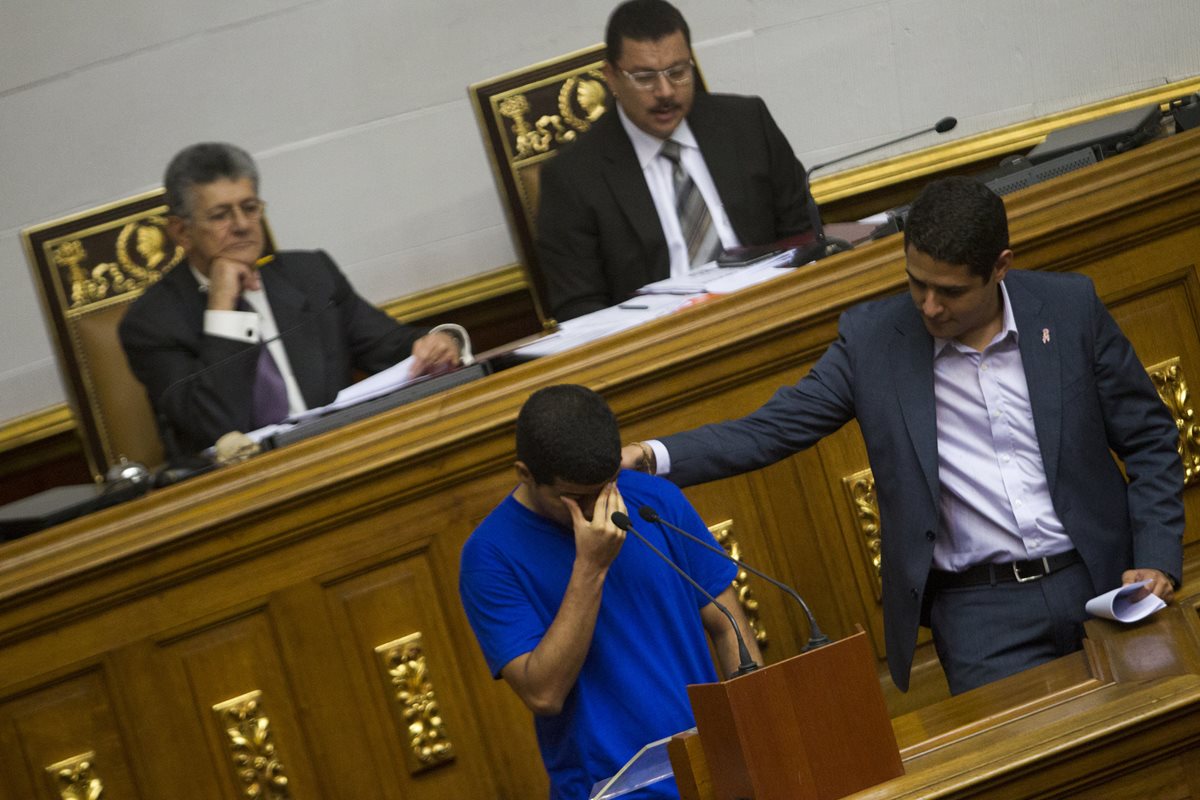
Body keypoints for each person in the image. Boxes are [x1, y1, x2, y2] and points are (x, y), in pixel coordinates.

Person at [622, 176, 1184, 695]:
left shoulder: (1068, 310)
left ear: (1000, 266)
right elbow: (771, 430)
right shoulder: (874, 343)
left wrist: (1158, 558)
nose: (930, 307)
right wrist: (650, 456)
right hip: (981, 616)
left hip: (1102, 581)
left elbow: (1149, 439)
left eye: (951, 291)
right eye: (917, 284)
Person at [459, 385, 761, 799]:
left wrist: (763, 742)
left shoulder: (655, 500)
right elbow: (543, 693)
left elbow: (728, 625)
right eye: (577, 497)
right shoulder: (489, 555)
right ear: (526, 475)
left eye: (607, 486)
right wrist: (590, 566)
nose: (597, 508)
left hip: (713, 777)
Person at [119, 142, 471, 456]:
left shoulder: (310, 275)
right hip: (239, 495)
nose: (242, 225)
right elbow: (215, 424)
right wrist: (224, 307)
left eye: (250, 208)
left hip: (343, 456)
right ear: (181, 231)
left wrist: (444, 340)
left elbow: (395, 347)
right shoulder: (152, 323)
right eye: (221, 215)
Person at [536, 0, 812, 321]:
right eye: (644, 77)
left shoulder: (747, 124)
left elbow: (804, 233)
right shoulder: (573, 177)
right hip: (661, 343)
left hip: (771, 311)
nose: (665, 91)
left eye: (678, 72)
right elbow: (580, 307)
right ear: (610, 77)